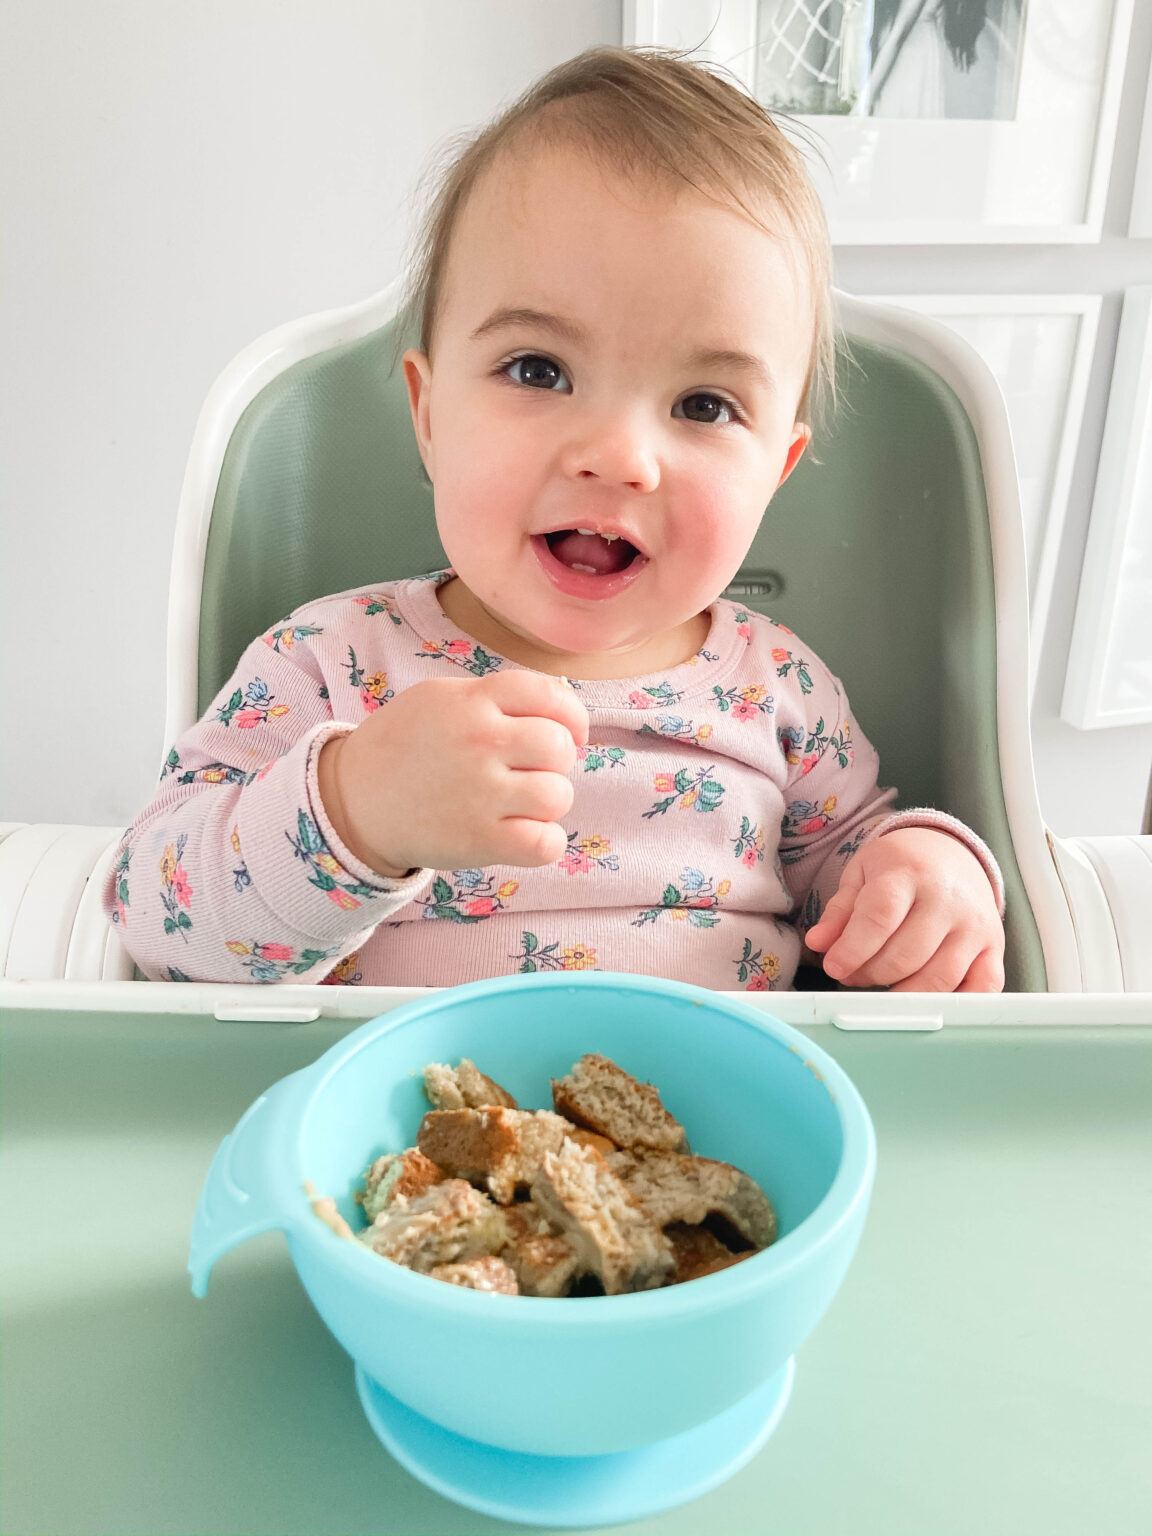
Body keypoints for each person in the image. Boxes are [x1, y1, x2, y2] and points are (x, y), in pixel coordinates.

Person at [103, 45, 1006, 994]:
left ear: (775, 472)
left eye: (703, 405)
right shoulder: (331, 663)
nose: (617, 456)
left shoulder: (779, 690)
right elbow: (156, 920)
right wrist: (353, 810)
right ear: (428, 415)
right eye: (539, 370)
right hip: (402, 1095)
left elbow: (852, 868)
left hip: (706, 1096)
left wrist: (925, 879)